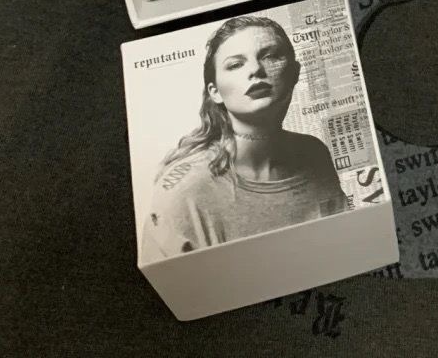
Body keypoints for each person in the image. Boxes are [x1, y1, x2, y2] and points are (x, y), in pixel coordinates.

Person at [142, 16, 347, 259]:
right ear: (215, 92)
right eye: (235, 64)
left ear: (295, 73)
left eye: (270, 56)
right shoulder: (185, 190)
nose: (256, 70)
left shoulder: (314, 153)